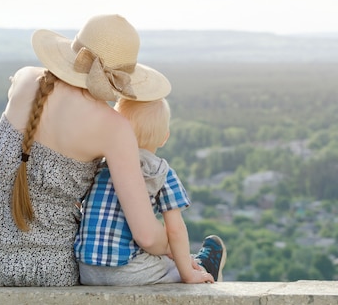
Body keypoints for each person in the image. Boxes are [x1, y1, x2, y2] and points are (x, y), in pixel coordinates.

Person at [0, 14, 174, 286]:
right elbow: (148, 237)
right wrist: (172, 243)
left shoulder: (25, 79)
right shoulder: (115, 128)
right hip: (48, 271)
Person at [75, 97, 227, 285]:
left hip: (87, 271)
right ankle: (203, 268)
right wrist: (187, 273)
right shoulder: (161, 172)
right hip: (127, 271)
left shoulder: (100, 167)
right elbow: (175, 230)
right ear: (165, 137)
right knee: (176, 264)